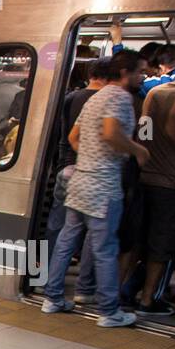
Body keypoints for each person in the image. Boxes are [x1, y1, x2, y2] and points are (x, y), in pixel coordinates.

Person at [43, 50, 149, 327]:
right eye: (140, 71)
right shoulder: (120, 97)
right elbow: (111, 132)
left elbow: (73, 137)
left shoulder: (95, 97)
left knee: (66, 241)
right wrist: (137, 150)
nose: (143, 77)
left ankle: (52, 298)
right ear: (125, 73)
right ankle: (109, 311)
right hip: (103, 185)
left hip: (80, 180)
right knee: (105, 248)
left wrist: (90, 156)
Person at [123, 47, 175, 315]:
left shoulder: (154, 92)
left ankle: (121, 292)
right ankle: (147, 300)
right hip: (174, 182)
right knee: (162, 245)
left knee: (137, 240)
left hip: (147, 176)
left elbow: (144, 134)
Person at [47, 58, 108, 304]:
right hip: (91, 173)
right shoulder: (107, 101)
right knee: (93, 234)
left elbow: (65, 135)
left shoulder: (71, 97)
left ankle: (43, 278)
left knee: (58, 228)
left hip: (65, 167)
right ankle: (85, 288)